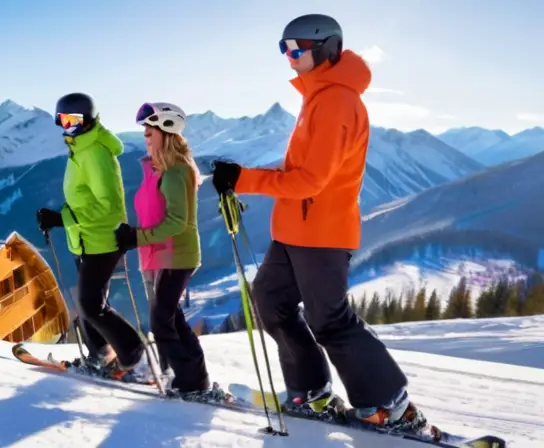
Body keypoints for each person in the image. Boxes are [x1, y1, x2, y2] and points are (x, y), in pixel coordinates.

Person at [210, 14, 427, 430]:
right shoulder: (317, 96)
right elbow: (301, 167)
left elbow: (312, 180)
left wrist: (243, 179)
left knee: (329, 319)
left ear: (325, 48)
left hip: (322, 233)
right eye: (283, 49)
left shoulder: (337, 101)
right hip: (293, 231)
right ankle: (310, 392)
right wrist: (241, 174)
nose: (288, 58)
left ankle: (388, 404)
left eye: (296, 49)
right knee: (272, 302)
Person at [36, 92, 154, 382]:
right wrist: (59, 215)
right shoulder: (80, 148)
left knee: (91, 305)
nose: (68, 126)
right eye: (63, 120)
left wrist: (62, 218)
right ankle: (99, 354)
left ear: (88, 120)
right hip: (85, 239)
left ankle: (133, 355)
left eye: (74, 120)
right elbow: (82, 199)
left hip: (102, 239)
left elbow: (107, 206)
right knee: (88, 302)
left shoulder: (95, 153)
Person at [114, 102, 215, 397]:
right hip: (161, 254)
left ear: (167, 131)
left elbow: (176, 222)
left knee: (162, 320)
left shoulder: (176, 172)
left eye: (150, 129)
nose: (145, 133)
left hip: (177, 254)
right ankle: (194, 378)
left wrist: (136, 238)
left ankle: (190, 381)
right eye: (144, 129)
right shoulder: (157, 169)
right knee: (171, 318)